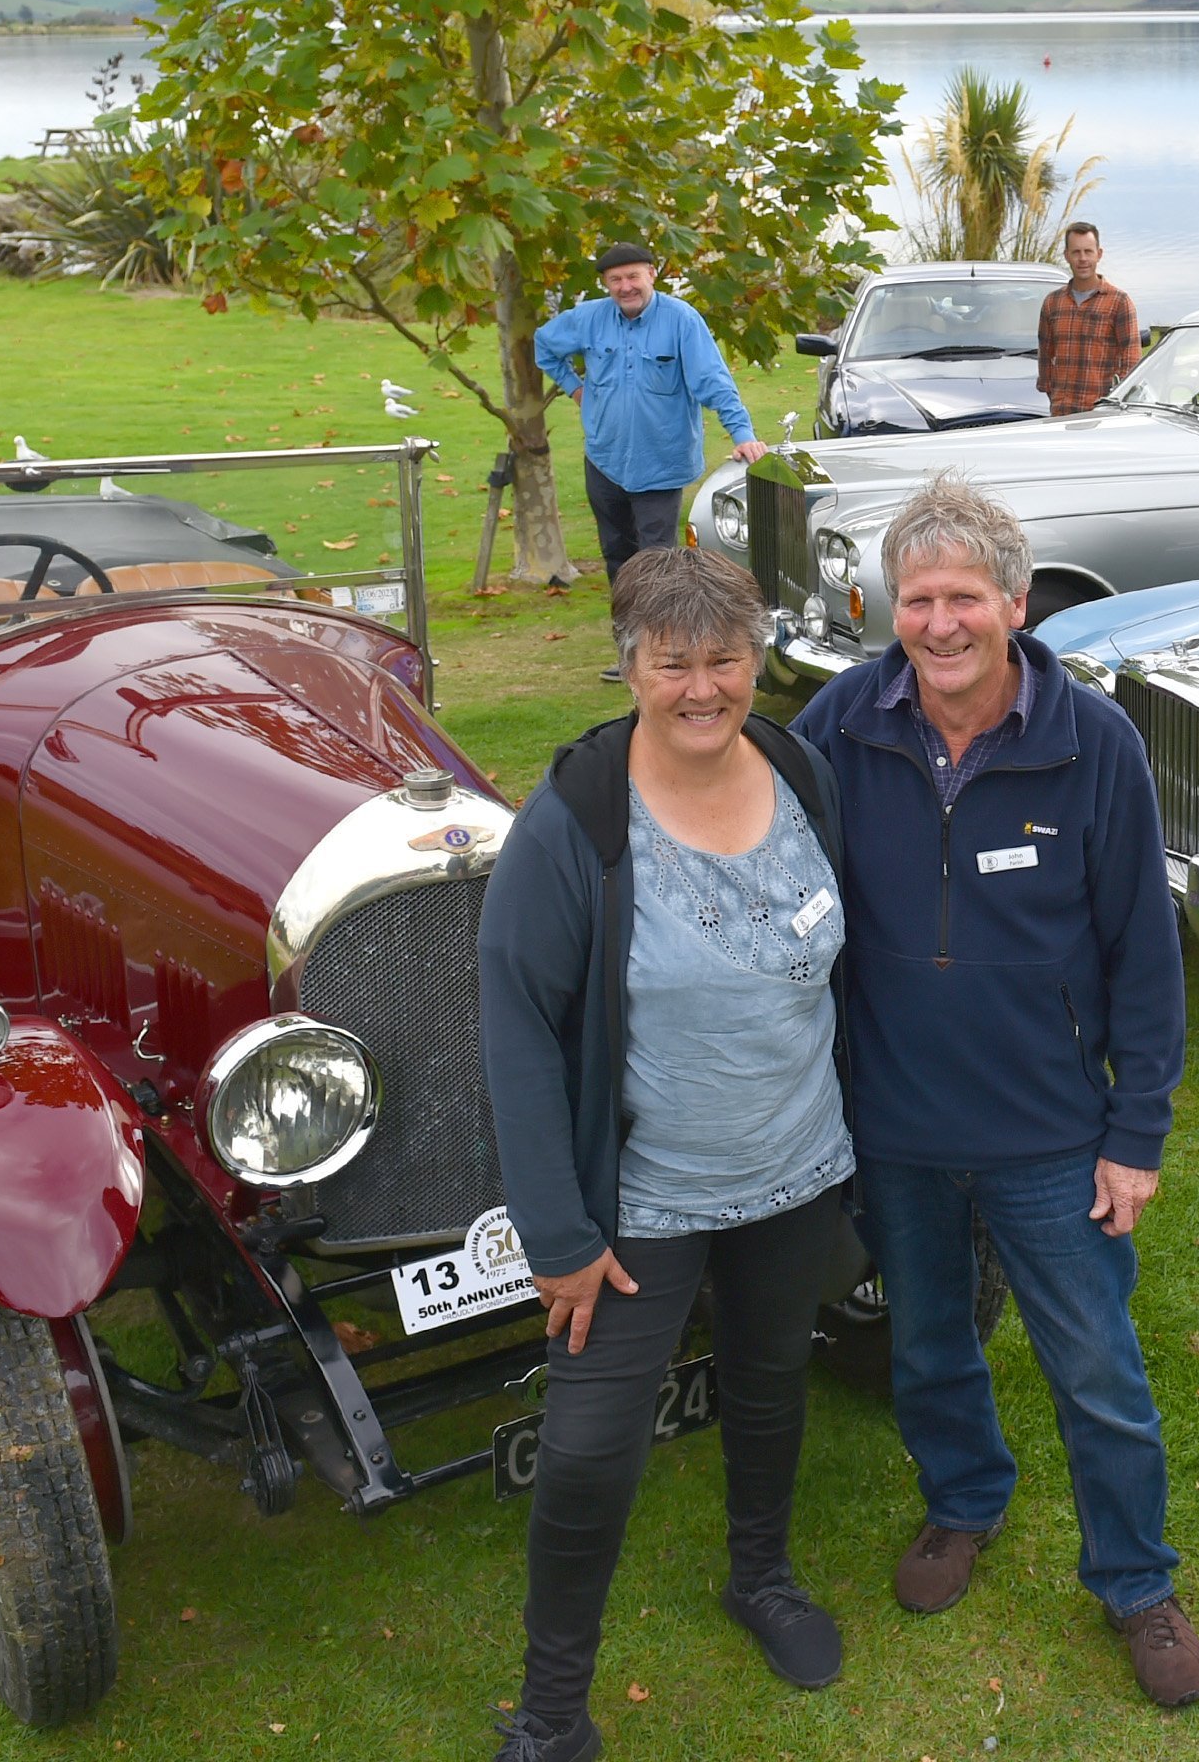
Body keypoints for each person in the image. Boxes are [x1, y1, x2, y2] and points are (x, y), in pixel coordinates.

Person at [788, 474, 1199, 1710]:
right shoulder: (840, 722)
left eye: (964, 596)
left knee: (1098, 1372)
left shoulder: (1095, 744)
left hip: (1050, 1135)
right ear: (888, 606)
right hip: (897, 1129)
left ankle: (1135, 1577)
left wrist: (1136, 1133)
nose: (939, 621)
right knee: (926, 1344)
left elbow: (1145, 952)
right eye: (916, 598)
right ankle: (963, 1501)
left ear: (1016, 603)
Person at [477, 546, 854, 1762]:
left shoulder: (802, 768)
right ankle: (550, 1715)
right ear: (630, 663)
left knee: (769, 1380)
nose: (704, 685)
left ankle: (763, 1575)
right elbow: (519, 1030)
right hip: (642, 1204)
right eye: (673, 659)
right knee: (587, 1449)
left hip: (797, 1168)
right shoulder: (575, 823)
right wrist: (560, 1235)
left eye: (727, 657)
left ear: (758, 656)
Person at [533, 241, 769, 666]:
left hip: (661, 462)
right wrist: (574, 387)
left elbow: (713, 381)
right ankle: (629, 653)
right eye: (616, 280)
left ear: (652, 275)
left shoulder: (681, 321)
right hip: (604, 458)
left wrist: (742, 433)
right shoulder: (587, 318)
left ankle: (660, 655)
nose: (626, 287)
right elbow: (544, 345)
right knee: (617, 558)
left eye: (633, 276)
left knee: (656, 562)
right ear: (606, 283)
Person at [1032, 220, 1141, 416]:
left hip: (1101, 415)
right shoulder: (1053, 303)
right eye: (1076, 252)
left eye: (1088, 251)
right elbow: (1045, 358)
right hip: (1061, 414)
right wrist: (1054, 395)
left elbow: (1131, 362)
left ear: (1099, 254)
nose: (1082, 258)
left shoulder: (1119, 302)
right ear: (1067, 256)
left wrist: (1114, 403)